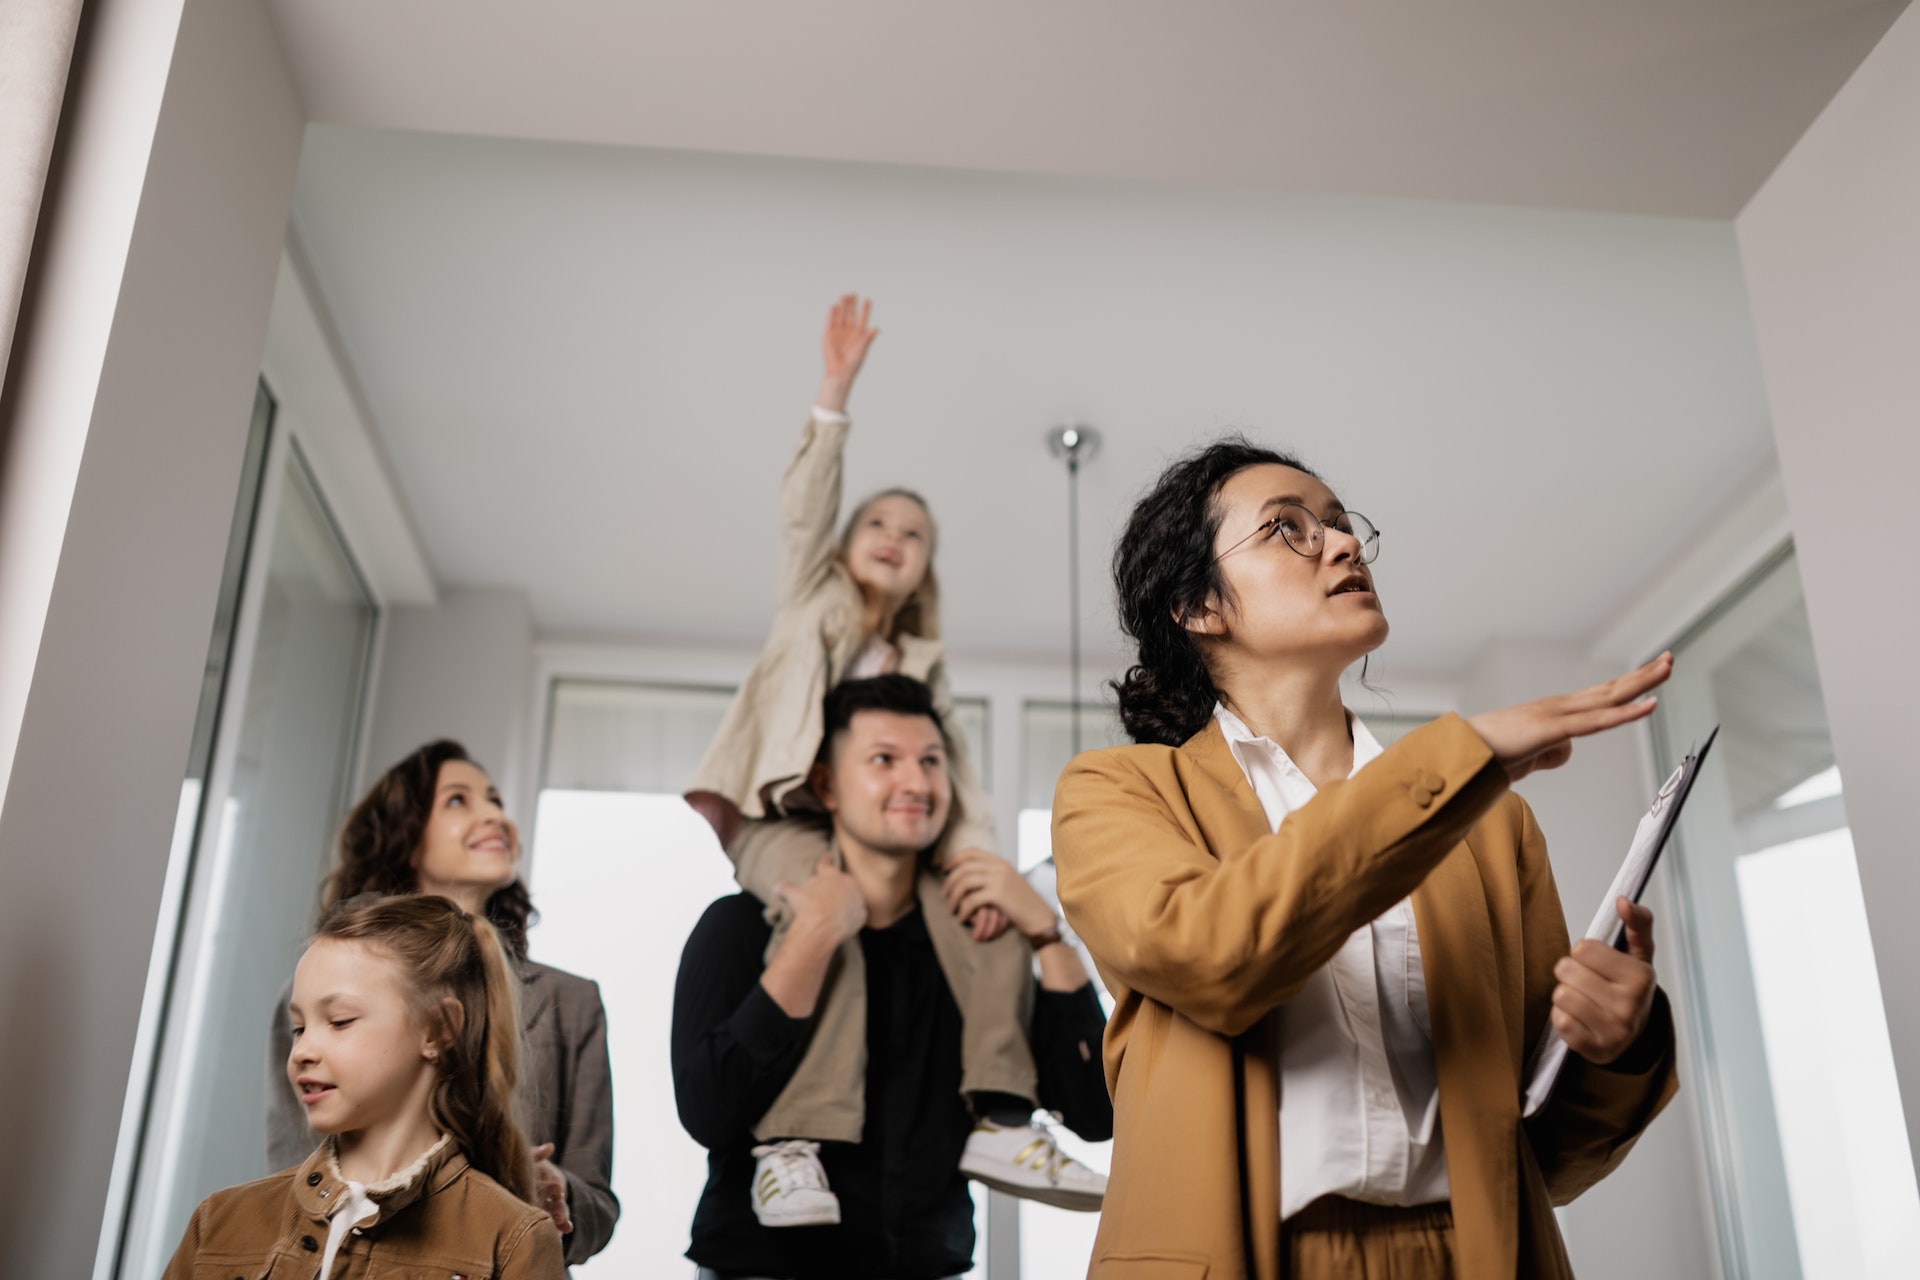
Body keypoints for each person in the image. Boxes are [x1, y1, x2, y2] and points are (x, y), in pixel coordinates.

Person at [1051, 437, 1681, 1278]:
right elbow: (1210, 952)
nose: (1343, 545)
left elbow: (1548, 1158)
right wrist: (1464, 755)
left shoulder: (1493, 825)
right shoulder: (1117, 791)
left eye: (1343, 526)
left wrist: (1619, 1050)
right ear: (1199, 605)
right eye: (1289, 529)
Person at [685, 295, 1094, 1224]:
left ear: (925, 570)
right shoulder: (812, 598)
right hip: (783, 817)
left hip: (888, 837)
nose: (893, 538)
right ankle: (792, 1143)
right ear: (846, 544)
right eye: (879, 523)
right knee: (829, 913)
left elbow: (956, 769)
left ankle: (996, 1116)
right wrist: (834, 393)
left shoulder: (920, 666)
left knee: (977, 905)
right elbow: (806, 512)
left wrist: (982, 863)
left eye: (913, 535)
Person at [674, 675, 1113, 1278]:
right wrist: (815, 934)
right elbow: (709, 1112)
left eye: (931, 762)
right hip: (762, 1265)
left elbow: (1096, 1113)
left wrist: (1044, 932)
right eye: (885, 760)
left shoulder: (977, 945)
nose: (916, 782)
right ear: (826, 785)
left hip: (927, 1264)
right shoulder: (740, 926)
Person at [267, 741, 617, 1264]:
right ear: (406, 837)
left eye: (496, 800)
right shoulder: (314, 998)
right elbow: (292, 1178)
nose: (494, 814)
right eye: (459, 800)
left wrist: (553, 1189)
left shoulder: (572, 1001)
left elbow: (598, 1211)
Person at [167, 895, 566, 1279]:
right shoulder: (218, 1221)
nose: (302, 1051)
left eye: (339, 1021)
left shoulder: (513, 1240)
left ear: (439, 1029)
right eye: (299, 1028)